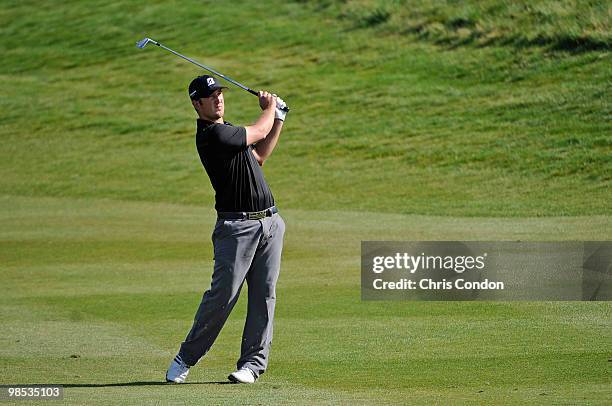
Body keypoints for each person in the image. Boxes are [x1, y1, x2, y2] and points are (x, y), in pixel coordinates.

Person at [165, 75, 288, 384]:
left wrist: (279, 120)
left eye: (220, 93)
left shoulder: (229, 131)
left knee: (264, 296)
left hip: (270, 223)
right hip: (237, 227)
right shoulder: (212, 136)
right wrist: (270, 107)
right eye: (211, 96)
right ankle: (186, 357)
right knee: (223, 296)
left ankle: (252, 365)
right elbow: (258, 130)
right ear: (197, 104)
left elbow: (258, 156)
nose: (218, 99)